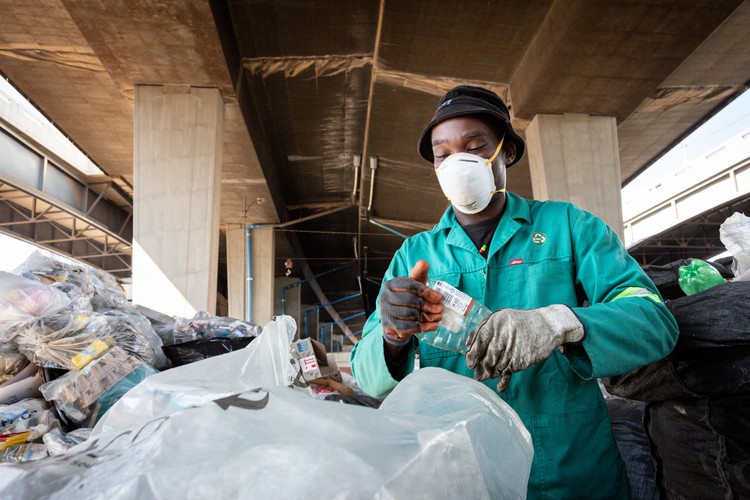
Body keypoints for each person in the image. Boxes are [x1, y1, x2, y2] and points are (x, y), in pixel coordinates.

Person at [350, 85, 679, 499]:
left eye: (473, 146)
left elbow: (654, 322)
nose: (457, 163)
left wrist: (561, 323)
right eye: (443, 153)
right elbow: (367, 376)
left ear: (506, 151)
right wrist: (392, 339)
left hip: (571, 474)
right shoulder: (416, 255)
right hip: (462, 478)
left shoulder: (569, 227)